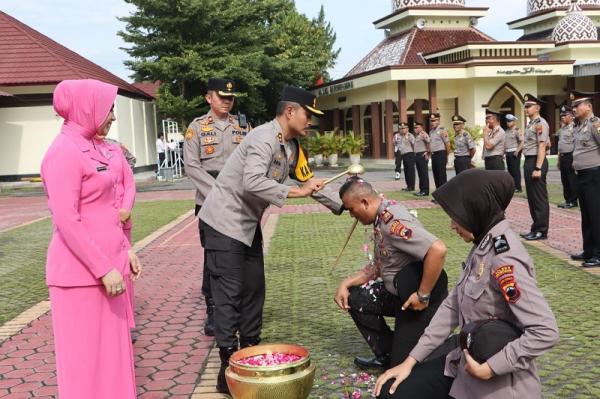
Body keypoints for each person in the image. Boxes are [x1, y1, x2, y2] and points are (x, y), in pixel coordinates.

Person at [198, 86, 344, 394]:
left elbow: (308, 180)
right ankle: (227, 370)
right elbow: (252, 181)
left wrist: (346, 206)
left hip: (247, 226)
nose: (310, 121)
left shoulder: (292, 146)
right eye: (308, 114)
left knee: (254, 291)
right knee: (229, 296)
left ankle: (249, 354)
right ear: (290, 112)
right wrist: (294, 192)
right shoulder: (263, 138)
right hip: (224, 223)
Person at [374, 169, 559, 399]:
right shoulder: (482, 246)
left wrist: (491, 368)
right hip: (464, 365)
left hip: (494, 384)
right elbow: (452, 307)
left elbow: (545, 331)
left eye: (457, 215)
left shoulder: (505, 259)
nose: (452, 225)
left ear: (476, 209)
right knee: (393, 390)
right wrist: (410, 361)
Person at [41, 79, 142, 399]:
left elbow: (109, 207)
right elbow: (67, 220)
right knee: (87, 364)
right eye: (106, 107)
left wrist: (126, 250)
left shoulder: (97, 147)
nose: (112, 116)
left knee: (113, 360)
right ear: (87, 108)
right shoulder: (63, 152)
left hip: (108, 269)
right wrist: (102, 267)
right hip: (81, 277)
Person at [334, 177, 448, 369]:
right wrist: (345, 283)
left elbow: (437, 250)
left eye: (351, 209)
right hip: (397, 294)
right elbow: (378, 266)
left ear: (364, 202)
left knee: (404, 368)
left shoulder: (393, 222)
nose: (352, 216)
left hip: (417, 301)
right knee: (355, 297)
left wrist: (423, 294)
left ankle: (438, 344)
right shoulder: (380, 216)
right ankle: (386, 352)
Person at [183, 77, 249, 337]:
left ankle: (237, 309)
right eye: (222, 97)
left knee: (239, 256)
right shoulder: (197, 127)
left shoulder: (243, 126)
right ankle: (213, 309)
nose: (227, 101)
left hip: (240, 203)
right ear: (208, 98)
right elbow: (192, 166)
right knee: (213, 260)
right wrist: (218, 194)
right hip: (210, 202)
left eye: (230, 97)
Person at [94, 130, 137, 339]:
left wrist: (126, 209)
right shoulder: (81, 149)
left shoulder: (114, 148)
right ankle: (108, 321)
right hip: (100, 223)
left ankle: (127, 322)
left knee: (125, 272)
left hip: (122, 219)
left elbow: (129, 183)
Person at [570, 91, 600, 268]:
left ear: (588, 107)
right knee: (586, 214)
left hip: (594, 174)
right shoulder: (579, 126)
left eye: (577, 105)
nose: (574, 109)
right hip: (581, 175)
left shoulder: (596, 124)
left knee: (596, 214)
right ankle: (588, 250)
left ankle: (598, 253)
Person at [520, 94, 550, 241]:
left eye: (528, 106)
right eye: (525, 106)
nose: (526, 109)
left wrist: (538, 167)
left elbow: (542, 145)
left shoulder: (540, 123)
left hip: (536, 161)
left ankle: (542, 230)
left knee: (539, 198)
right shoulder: (531, 123)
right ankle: (535, 227)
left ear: (537, 108)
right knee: (532, 197)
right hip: (529, 160)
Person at [556, 105, 578, 209]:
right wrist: (559, 160)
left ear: (570, 116)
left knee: (571, 180)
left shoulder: (575, 127)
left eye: (564, 116)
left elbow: (576, 144)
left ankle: (573, 201)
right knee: (564, 179)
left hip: (571, 156)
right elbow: (560, 145)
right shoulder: (562, 129)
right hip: (563, 157)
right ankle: (567, 199)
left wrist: (575, 159)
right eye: (561, 116)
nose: (562, 117)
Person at [428, 113, 450, 196]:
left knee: (441, 176)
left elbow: (447, 144)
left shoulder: (442, 130)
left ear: (438, 120)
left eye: (434, 120)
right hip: (434, 155)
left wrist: (447, 156)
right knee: (436, 175)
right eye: (431, 121)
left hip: (441, 154)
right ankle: (438, 195)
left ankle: (444, 195)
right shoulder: (431, 132)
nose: (432, 122)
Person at [504, 114, 524, 193]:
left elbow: (522, 141)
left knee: (515, 170)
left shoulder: (517, 130)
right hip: (508, 153)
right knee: (510, 170)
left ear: (513, 121)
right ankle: (512, 186)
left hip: (514, 152)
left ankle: (518, 187)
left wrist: (517, 151)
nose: (508, 123)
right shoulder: (506, 131)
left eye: (510, 121)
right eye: (507, 121)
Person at [413, 122, 431, 197]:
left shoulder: (423, 134)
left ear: (421, 128)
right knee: (420, 174)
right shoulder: (418, 136)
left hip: (422, 155)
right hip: (417, 156)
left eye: (417, 127)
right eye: (414, 128)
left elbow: (429, 142)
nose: (415, 129)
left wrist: (427, 152)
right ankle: (421, 190)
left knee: (424, 174)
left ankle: (425, 190)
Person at [397, 123, 416, 191]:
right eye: (401, 128)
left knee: (410, 171)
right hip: (404, 155)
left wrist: (414, 154)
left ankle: (411, 186)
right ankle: (408, 185)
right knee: (406, 171)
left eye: (404, 128)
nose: (402, 130)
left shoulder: (410, 136)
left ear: (407, 129)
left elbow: (414, 145)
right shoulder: (400, 136)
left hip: (410, 154)